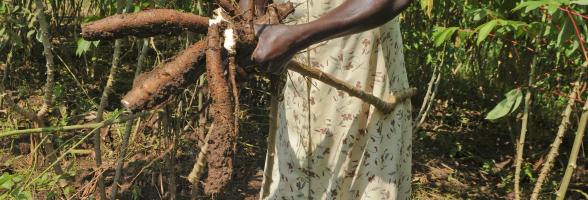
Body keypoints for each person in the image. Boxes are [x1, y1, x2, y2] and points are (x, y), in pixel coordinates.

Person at [240, 0, 414, 199]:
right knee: (295, 182)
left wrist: (297, 37)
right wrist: (249, 26)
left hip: (362, 78)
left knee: (357, 184)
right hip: (294, 84)